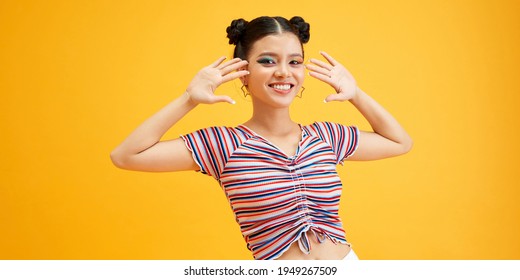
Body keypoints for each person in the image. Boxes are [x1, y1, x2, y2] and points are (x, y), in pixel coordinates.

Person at [110, 16, 412, 260]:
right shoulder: (223, 145)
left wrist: (356, 94)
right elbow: (126, 156)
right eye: (268, 61)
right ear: (243, 72)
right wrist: (188, 99)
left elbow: (399, 142)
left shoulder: (326, 137)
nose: (283, 72)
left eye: (294, 62)